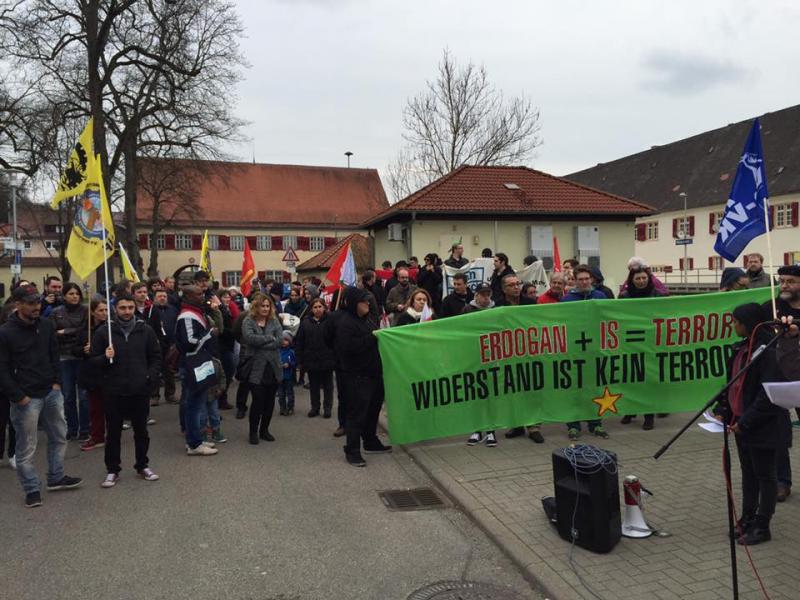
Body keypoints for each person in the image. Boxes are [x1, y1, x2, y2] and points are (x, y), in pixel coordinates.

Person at [0, 285, 82, 507]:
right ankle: (31, 489)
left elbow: (53, 354)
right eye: (31, 303)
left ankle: (56, 477)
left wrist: (56, 382)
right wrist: (18, 396)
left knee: (59, 436)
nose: (36, 307)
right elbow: (2, 369)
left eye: (38, 302)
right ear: (18, 304)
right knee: (26, 447)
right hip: (25, 398)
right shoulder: (6, 332)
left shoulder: (45, 325)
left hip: (50, 391)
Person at [716, 303, 789, 545]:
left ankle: (762, 524)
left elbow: (767, 395)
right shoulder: (739, 349)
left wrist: (745, 422)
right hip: (740, 424)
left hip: (762, 425)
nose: (733, 325)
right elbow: (732, 384)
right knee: (748, 473)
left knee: (765, 475)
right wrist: (722, 411)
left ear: (749, 323)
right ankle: (747, 516)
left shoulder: (768, 350)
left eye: (736, 321)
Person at [90, 293, 161, 488]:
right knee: (113, 433)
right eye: (123, 308)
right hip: (114, 390)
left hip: (139, 389)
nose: (127, 311)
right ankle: (113, 469)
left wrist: (150, 376)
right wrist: (105, 357)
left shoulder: (145, 330)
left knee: (141, 431)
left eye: (130, 307)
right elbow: (93, 361)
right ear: (116, 309)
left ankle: (142, 465)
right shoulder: (104, 332)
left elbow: (155, 356)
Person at [335, 287, 392, 467]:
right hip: (357, 377)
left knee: (372, 411)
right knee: (357, 415)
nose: (367, 303)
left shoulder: (365, 319)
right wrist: (373, 337)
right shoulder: (346, 323)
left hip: (374, 374)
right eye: (363, 301)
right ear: (354, 303)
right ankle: (352, 450)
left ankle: (370, 441)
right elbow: (349, 348)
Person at [764, 264, 800, 502]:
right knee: (778, 432)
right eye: (782, 281)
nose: (784, 285)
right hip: (778, 376)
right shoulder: (772, 307)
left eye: (790, 281)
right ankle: (782, 482)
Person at [561, 265, 609, 439]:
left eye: (586, 278)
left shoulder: (600, 297)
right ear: (575, 281)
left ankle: (595, 424)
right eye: (580, 279)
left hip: (594, 351)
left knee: (595, 389)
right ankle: (573, 425)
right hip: (574, 352)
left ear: (592, 279)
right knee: (574, 390)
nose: (584, 282)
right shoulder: (567, 300)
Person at [496, 274, 545, 443]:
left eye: (518, 284)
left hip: (529, 352)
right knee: (513, 390)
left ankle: (533, 427)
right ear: (504, 289)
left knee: (531, 390)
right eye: (512, 285)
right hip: (509, 355)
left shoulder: (530, 303)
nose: (516, 287)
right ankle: (517, 424)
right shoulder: (498, 306)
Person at [618, 268, 666, 430]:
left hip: (650, 343)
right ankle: (630, 411)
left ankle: (648, 415)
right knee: (630, 379)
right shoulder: (624, 297)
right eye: (637, 278)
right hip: (630, 342)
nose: (641, 281)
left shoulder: (658, 295)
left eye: (644, 278)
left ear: (649, 278)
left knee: (647, 380)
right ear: (632, 280)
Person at [175, 285, 219, 456]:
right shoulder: (187, 316)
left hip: (200, 361)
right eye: (198, 294)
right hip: (193, 363)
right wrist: (210, 334)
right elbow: (189, 342)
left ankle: (196, 439)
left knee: (198, 403)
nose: (202, 296)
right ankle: (193, 444)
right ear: (187, 297)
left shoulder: (197, 312)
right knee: (193, 405)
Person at [240, 293, 282, 445]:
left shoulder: (274, 320)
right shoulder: (248, 321)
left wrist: (264, 342)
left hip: (272, 367)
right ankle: (253, 432)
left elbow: (279, 341)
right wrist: (268, 339)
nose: (265, 308)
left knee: (270, 402)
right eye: (262, 305)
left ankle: (264, 430)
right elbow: (250, 339)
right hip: (256, 368)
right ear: (256, 306)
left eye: (267, 305)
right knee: (258, 401)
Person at [50, 282, 90, 441]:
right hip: (63, 357)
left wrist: (65, 331)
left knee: (84, 396)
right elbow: (52, 332)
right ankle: (72, 428)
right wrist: (62, 333)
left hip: (81, 356)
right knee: (68, 396)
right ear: (64, 296)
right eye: (71, 294)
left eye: (77, 293)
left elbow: (84, 331)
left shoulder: (85, 311)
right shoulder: (56, 312)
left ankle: (85, 429)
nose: (75, 296)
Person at [461, 282, 498, 447]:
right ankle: (476, 429)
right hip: (473, 357)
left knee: (490, 395)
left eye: (487, 294)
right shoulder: (467, 310)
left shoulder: (496, 309)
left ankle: (491, 430)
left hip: (492, 357)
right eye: (482, 294)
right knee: (475, 394)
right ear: (476, 295)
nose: (485, 297)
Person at [77, 298, 109, 452]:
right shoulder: (85, 330)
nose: (104, 313)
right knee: (95, 407)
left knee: (111, 406)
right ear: (92, 312)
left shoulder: (110, 329)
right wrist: (84, 350)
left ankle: (112, 432)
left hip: (108, 373)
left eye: (106, 310)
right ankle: (97, 436)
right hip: (91, 374)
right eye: (101, 310)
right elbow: (74, 349)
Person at [295, 298, 336, 418]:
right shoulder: (306, 323)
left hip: (327, 359)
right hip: (311, 359)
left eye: (320, 306)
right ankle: (315, 407)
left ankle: (327, 408)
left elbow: (335, 340)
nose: (318, 309)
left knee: (328, 386)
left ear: (324, 307)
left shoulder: (331, 321)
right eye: (315, 307)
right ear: (311, 309)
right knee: (314, 386)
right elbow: (300, 341)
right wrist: (300, 358)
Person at [148, 289, 178, 405]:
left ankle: (170, 394)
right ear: (155, 298)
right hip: (156, 345)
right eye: (159, 296)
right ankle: (154, 395)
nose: (162, 298)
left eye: (164, 296)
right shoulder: (151, 310)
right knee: (155, 371)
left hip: (170, 344)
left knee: (169, 371)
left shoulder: (173, 310)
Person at [216, 290, 237, 409]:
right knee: (226, 372)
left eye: (229, 297)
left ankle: (222, 398)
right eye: (224, 297)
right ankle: (220, 398)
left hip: (230, 344)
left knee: (229, 372)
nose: (227, 299)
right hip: (222, 345)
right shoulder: (219, 311)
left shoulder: (229, 309)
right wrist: (233, 332)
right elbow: (221, 329)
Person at [277, 331, 297, 416]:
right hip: (280, 376)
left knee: (289, 393)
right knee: (281, 394)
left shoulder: (291, 352)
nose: (283, 342)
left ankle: (290, 407)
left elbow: (295, 363)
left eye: (286, 340)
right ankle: (282, 407)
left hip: (288, 376)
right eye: (282, 340)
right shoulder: (277, 351)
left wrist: (289, 364)